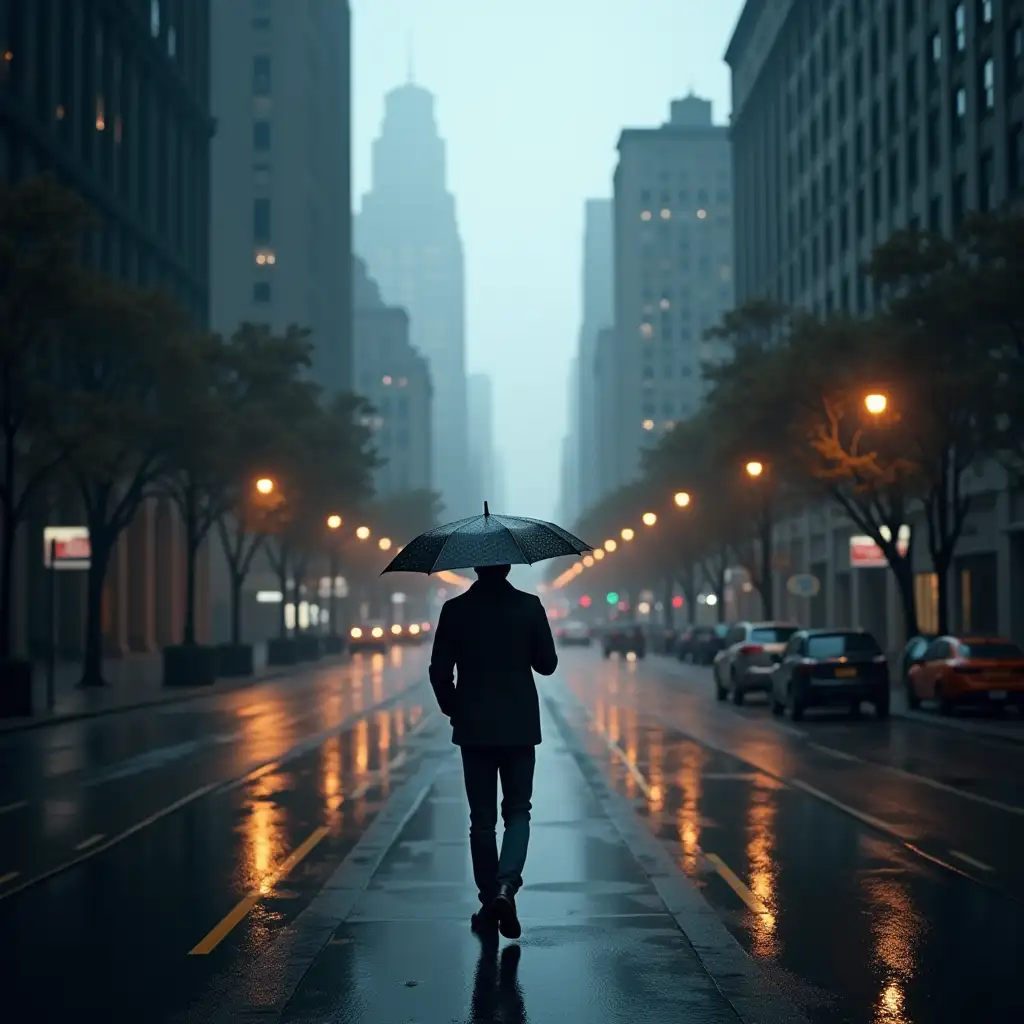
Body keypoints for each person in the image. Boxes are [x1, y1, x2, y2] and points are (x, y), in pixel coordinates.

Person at [428, 563, 558, 939]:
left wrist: (455, 706)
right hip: (519, 727)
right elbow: (547, 664)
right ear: (509, 565)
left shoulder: (455, 610)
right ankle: (506, 888)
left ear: (475, 565)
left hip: (475, 729)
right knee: (518, 812)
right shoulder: (530, 605)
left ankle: (489, 901)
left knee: (481, 819)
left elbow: (439, 671)